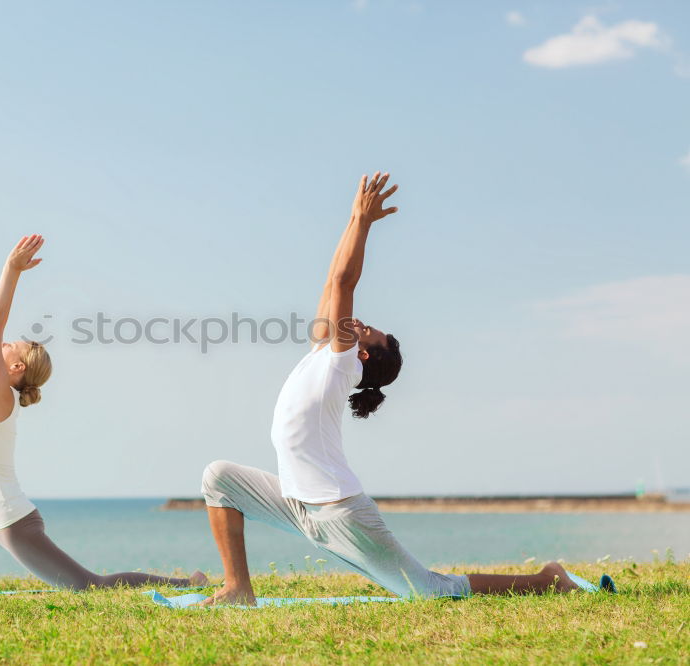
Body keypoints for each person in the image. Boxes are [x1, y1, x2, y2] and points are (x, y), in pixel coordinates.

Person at [198, 173, 579, 605]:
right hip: (298, 504)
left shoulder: (340, 364)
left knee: (432, 591)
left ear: (364, 356)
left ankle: (547, 580)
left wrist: (364, 223)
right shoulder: (326, 352)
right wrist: (351, 218)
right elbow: (330, 282)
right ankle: (237, 588)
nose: (358, 323)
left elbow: (345, 284)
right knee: (219, 477)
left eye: (368, 331)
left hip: (341, 513)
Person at [0, 234, 205, 592]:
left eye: (14, 346)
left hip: (13, 523)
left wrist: (12, 271)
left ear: (16, 368)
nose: (6, 342)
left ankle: (186, 583)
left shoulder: (0, 396)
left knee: (92, 587)